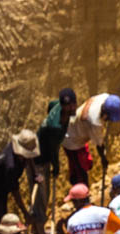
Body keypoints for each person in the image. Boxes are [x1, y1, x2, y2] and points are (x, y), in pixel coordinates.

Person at [36, 89, 78, 220]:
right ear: (64, 107)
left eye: (74, 104)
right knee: (43, 193)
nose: (73, 108)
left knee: (44, 192)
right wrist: (56, 167)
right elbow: (53, 150)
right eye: (70, 106)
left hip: (46, 149)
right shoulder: (55, 127)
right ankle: (39, 223)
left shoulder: (57, 104)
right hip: (40, 159)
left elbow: (50, 104)